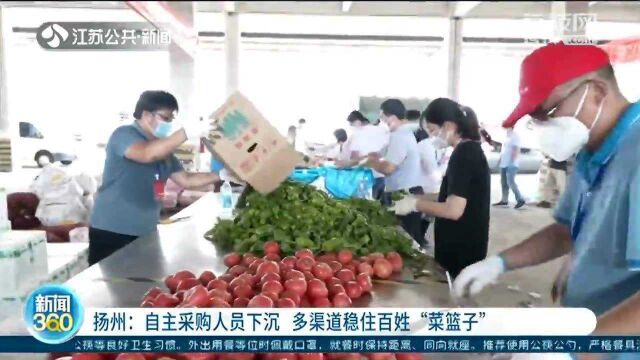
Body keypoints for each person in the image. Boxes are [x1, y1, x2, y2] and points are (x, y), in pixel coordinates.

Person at [453, 43, 640, 351]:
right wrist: (499, 263)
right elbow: (566, 231)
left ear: (596, 92)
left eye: (548, 112)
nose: (543, 126)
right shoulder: (591, 152)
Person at [89, 91, 220, 265]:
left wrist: (219, 175)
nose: (169, 124)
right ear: (146, 115)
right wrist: (186, 133)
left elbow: (186, 179)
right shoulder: (124, 135)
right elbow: (146, 154)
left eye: (171, 119)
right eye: (165, 118)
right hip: (113, 230)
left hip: (146, 230)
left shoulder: (162, 150)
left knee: (145, 283)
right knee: (109, 286)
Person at [392, 98, 490, 277]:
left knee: (454, 295)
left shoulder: (465, 154)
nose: (431, 136)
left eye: (432, 130)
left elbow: (453, 210)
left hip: (461, 247)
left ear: (448, 126)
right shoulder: (467, 150)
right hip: (464, 242)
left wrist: (415, 205)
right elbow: (451, 196)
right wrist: (417, 197)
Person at [364, 99, 426, 248]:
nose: (382, 122)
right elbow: (379, 153)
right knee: (409, 240)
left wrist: (370, 162)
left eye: (383, 118)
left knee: (407, 242)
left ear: (391, 118)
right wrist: (369, 157)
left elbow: (388, 168)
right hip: (406, 191)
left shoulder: (400, 136)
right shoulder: (402, 134)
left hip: (404, 193)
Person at [337, 110, 389, 201]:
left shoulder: (358, 134)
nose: (351, 127)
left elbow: (354, 157)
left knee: (370, 204)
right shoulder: (381, 129)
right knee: (385, 205)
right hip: (385, 173)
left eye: (351, 124)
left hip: (368, 175)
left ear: (357, 122)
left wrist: (345, 163)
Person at [494, 127, 526, 209]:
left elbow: (516, 149)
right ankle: (504, 200)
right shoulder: (506, 137)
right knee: (504, 183)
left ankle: (520, 199)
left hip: (511, 164)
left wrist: (512, 162)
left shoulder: (515, 136)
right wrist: (500, 161)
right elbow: (504, 151)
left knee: (510, 182)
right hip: (503, 163)